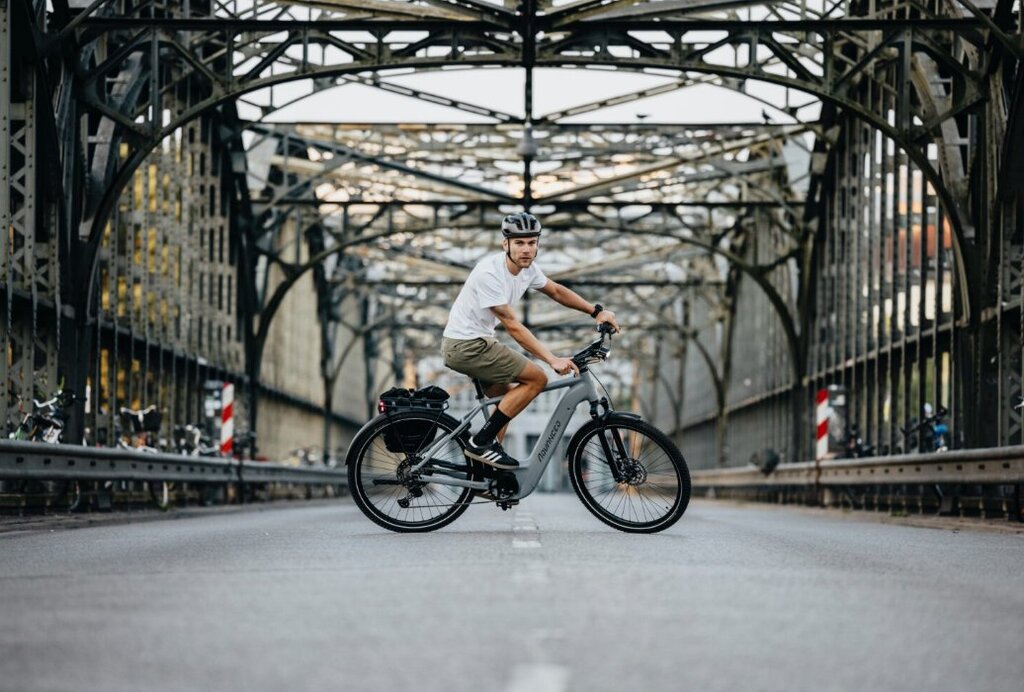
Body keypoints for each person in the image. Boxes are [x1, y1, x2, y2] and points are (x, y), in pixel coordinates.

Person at [441, 212, 621, 469]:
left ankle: (487, 471)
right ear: (506, 244)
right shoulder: (489, 273)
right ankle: (480, 443)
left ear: (537, 245)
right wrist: (551, 359)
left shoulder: (528, 270)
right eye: (519, 243)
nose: (526, 249)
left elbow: (556, 291)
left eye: (531, 243)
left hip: (476, 342)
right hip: (467, 346)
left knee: (505, 401)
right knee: (537, 378)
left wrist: (596, 311)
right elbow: (512, 325)